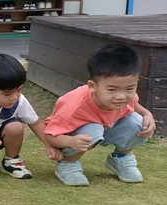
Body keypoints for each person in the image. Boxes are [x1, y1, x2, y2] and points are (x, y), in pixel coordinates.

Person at [44, 44, 156, 186]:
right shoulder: (74, 106)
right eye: (112, 89)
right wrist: (69, 142)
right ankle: (68, 163)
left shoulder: (128, 97)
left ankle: (120, 157)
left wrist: (148, 115)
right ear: (93, 86)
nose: (121, 96)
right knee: (93, 130)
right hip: (76, 135)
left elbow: (134, 106)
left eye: (129, 88)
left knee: (139, 122)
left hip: (107, 127)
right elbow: (49, 134)